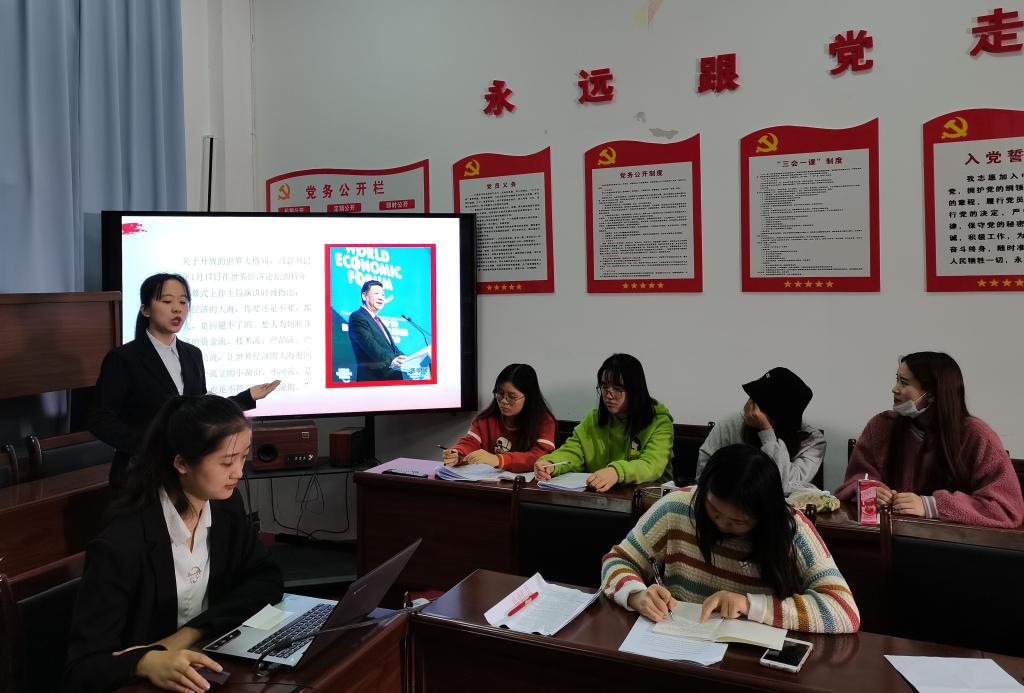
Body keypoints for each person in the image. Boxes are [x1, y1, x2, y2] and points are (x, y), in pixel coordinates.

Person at [64, 395, 283, 693]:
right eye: (227, 461)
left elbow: (267, 579)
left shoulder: (226, 508)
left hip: (204, 671)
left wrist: (188, 634)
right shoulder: (121, 545)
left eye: (243, 457)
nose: (238, 472)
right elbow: (82, 669)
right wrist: (144, 661)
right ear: (182, 463)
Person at [601, 444, 860, 633]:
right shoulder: (677, 507)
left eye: (738, 521)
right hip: (678, 639)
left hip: (751, 659)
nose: (722, 524)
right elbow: (618, 560)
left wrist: (749, 605)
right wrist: (636, 594)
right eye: (714, 510)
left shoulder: (791, 530)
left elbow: (843, 610)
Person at [91, 273, 280, 489]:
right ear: (145, 310)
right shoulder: (123, 359)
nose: (177, 309)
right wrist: (147, 445)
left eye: (183, 302)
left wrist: (246, 397)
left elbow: (198, 412)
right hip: (141, 473)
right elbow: (99, 419)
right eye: (167, 301)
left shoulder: (192, 354)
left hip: (186, 472)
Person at [835, 352, 1024, 528]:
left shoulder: (977, 436)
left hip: (950, 545)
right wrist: (871, 491)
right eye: (897, 379)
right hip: (886, 537)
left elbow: (1005, 508)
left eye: (904, 383)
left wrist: (931, 506)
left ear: (932, 393)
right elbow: (853, 481)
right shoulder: (881, 426)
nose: (895, 389)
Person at [534, 353, 673, 493]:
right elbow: (573, 451)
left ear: (635, 390)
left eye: (618, 389)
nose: (609, 395)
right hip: (603, 498)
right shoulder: (593, 419)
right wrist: (551, 463)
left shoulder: (659, 422)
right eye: (604, 387)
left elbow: (652, 465)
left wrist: (616, 472)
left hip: (650, 499)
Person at [696, 367, 825, 493]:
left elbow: (786, 487)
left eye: (758, 403)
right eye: (752, 396)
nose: (750, 406)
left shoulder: (813, 441)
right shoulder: (732, 424)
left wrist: (766, 431)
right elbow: (703, 476)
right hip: (729, 500)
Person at [443, 363, 556, 473]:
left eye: (512, 397)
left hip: (527, 483)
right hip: (490, 482)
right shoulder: (486, 419)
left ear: (529, 397)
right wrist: (457, 453)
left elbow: (541, 457)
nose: (503, 401)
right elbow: (470, 443)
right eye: (500, 393)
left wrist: (499, 460)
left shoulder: (544, 422)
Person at [347, 280, 405, 382]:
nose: (381, 297)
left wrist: (404, 359)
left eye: (383, 295)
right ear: (364, 296)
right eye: (376, 293)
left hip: (391, 378)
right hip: (373, 380)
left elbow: (393, 348)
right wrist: (391, 360)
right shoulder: (357, 317)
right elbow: (370, 345)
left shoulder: (377, 320)